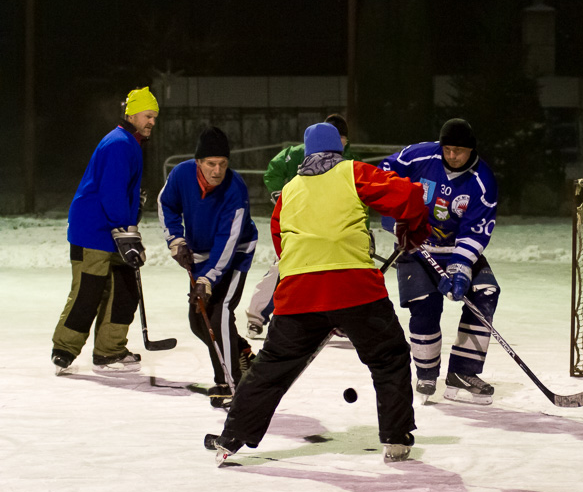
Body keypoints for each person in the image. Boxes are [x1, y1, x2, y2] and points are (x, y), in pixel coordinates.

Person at [210, 122, 429, 464]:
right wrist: (411, 226)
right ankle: (396, 437)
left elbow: (282, 243)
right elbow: (411, 196)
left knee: (271, 368)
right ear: (338, 149)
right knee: (389, 357)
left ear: (306, 152)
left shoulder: (289, 191)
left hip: (298, 295)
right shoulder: (352, 172)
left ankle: (233, 435)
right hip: (354, 290)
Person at [379, 118, 500, 405]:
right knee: (425, 303)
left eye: (459, 150)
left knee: (485, 293)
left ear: (471, 150)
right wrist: (394, 214)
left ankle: (462, 372)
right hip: (414, 244)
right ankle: (426, 373)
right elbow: (382, 174)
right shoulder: (420, 155)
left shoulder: (483, 182)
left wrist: (460, 268)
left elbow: (474, 231)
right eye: (447, 149)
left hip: (455, 250)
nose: (452, 155)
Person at [51, 87, 159, 376]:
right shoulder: (119, 144)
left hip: (112, 227)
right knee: (90, 289)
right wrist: (126, 231)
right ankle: (64, 348)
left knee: (124, 288)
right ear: (132, 114)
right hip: (95, 230)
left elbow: (120, 189)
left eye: (154, 117)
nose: (151, 122)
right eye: (148, 116)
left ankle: (109, 349)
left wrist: (135, 202)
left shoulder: (129, 143)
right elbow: (111, 192)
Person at [158, 127, 258, 407]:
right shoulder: (181, 174)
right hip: (201, 253)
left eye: (223, 164)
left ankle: (229, 381)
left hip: (235, 253)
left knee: (219, 314)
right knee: (197, 320)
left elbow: (228, 241)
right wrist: (175, 239)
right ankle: (242, 352)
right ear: (198, 162)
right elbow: (166, 204)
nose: (217, 170)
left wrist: (208, 280)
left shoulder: (235, 190)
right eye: (211, 164)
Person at [245, 114, 359, 339]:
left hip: (331, 228)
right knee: (283, 267)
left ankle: (338, 317)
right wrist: (280, 193)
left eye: (343, 138)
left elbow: (358, 200)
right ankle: (257, 317)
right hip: (298, 222)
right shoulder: (297, 154)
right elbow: (273, 171)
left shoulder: (350, 161)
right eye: (337, 137)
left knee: (338, 273)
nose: (340, 143)